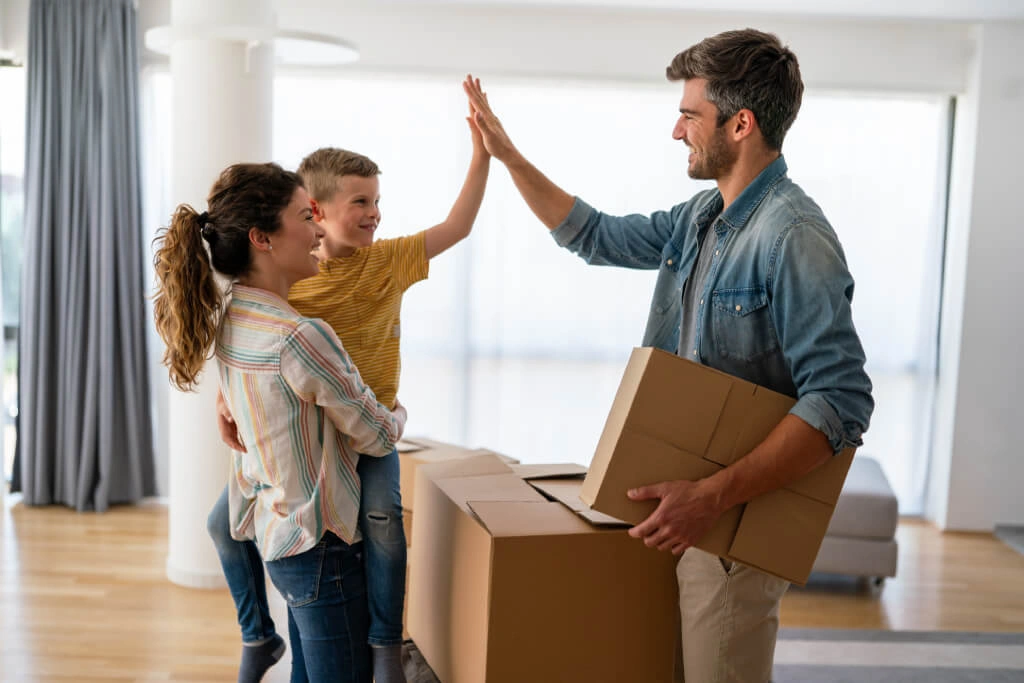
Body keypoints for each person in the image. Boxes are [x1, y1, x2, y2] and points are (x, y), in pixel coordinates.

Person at [462, 28, 874, 683]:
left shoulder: (793, 237)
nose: (676, 131)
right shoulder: (699, 218)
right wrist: (508, 156)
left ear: (741, 124)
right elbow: (592, 234)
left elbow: (840, 402)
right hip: (680, 516)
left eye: (689, 114)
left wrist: (709, 496)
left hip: (734, 531)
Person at [209, 104, 490, 683]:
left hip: (369, 421)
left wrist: (483, 155)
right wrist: (224, 400)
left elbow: (458, 225)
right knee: (221, 523)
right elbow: (257, 355)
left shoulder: (386, 261)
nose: (374, 213)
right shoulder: (294, 285)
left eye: (377, 201)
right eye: (359, 201)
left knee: (385, 518)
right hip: (325, 439)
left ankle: (387, 641)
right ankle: (258, 633)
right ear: (316, 211)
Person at [152, 162, 407, 683]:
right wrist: (400, 412)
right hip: (324, 550)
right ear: (261, 238)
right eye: (303, 216)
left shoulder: (231, 318)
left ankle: (258, 639)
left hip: (281, 542)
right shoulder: (300, 336)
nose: (317, 229)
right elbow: (377, 435)